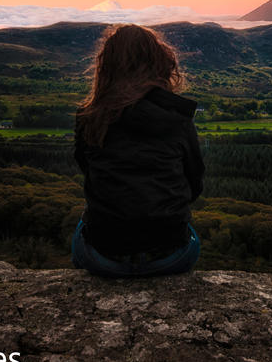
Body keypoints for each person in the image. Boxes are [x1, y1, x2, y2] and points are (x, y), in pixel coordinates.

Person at [70, 24, 204, 277]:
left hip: (103, 255)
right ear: (160, 63)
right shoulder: (177, 117)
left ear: (106, 68)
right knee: (191, 234)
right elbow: (194, 183)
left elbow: (88, 173)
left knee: (82, 226)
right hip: (169, 255)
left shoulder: (90, 117)